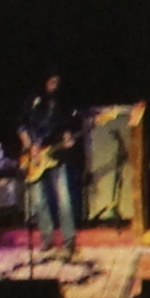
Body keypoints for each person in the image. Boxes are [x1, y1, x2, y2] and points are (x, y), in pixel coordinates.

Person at [17, 72, 86, 264]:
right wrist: (30, 147)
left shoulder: (62, 102)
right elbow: (21, 126)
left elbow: (67, 126)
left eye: (57, 81)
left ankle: (69, 240)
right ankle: (46, 238)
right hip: (34, 157)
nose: (54, 84)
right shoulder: (32, 100)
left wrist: (68, 138)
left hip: (57, 156)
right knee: (39, 201)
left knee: (64, 199)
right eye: (51, 80)